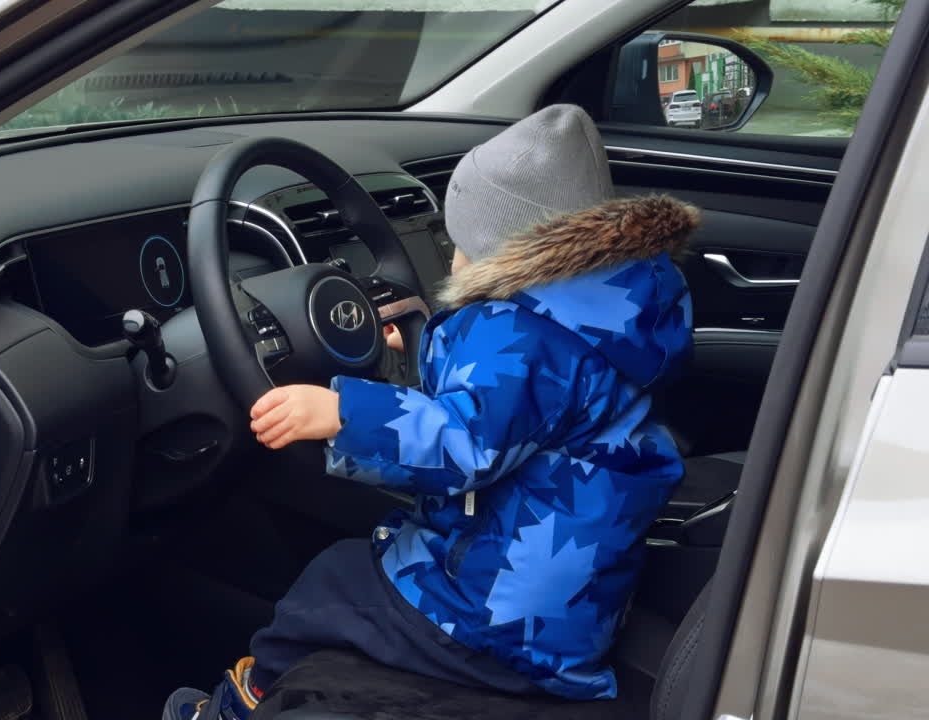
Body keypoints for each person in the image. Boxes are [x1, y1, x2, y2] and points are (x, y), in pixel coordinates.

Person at [164, 104, 698, 720]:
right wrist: (416, 354)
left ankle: (236, 706)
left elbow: (465, 442)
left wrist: (342, 412)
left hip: (491, 612)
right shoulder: (597, 315)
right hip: (562, 602)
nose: (452, 260)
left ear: (510, 252)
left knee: (331, 586)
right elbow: (510, 413)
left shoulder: (514, 330)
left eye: (462, 245)